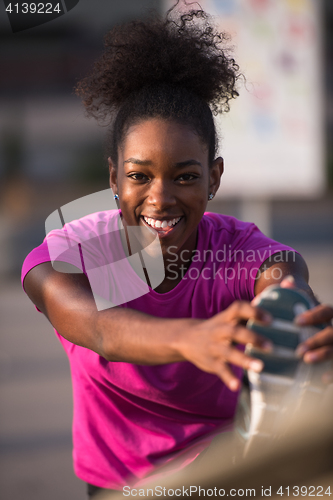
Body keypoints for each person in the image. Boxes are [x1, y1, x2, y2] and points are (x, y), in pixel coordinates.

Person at [21, 5, 333, 498]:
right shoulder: (74, 252)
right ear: (113, 179)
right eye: (139, 176)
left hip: (225, 477)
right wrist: (191, 338)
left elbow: (282, 276)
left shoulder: (239, 252)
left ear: (215, 178)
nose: (160, 198)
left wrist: (300, 325)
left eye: (186, 176)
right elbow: (97, 327)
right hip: (117, 485)